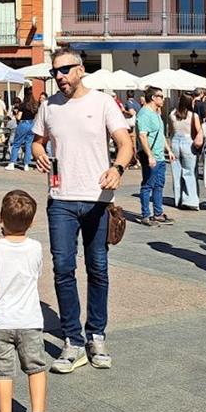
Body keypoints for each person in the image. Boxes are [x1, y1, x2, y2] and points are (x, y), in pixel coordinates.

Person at [31, 47, 134, 373]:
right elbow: (37, 141)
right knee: (63, 269)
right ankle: (73, 340)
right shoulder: (48, 106)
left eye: (64, 70)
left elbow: (125, 143)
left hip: (97, 199)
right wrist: (38, 152)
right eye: (54, 72)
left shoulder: (103, 103)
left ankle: (96, 335)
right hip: (60, 198)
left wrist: (117, 168)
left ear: (80, 69)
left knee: (98, 268)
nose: (59, 77)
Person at [0, 190, 56, 412]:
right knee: (36, 368)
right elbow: (35, 275)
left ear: (0, 218)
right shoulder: (35, 248)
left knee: (2, 374)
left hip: (1, 321)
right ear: (31, 223)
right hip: (30, 320)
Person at [135, 86, 172, 226]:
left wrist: (168, 150)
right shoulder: (144, 114)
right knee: (147, 185)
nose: (163, 99)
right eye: (161, 96)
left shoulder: (156, 113)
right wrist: (150, 155)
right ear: (153, 98)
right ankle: (145, 215)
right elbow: (142, 136)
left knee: (159, 185)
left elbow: (160, 134)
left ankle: (158, 213)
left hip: (160, 156)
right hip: (150, 156)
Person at [166, 93, 202, 210]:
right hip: (188, 142)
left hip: (175, 142)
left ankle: (178, 199)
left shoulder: (172, 114)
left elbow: (171, 131)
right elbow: (198, 130)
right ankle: (190, 200)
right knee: (189, 172)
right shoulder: (193, 115)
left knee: (177, 172)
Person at [6, 89, 37, 171]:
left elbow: (19, 117)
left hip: (23, 124)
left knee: (16, 144)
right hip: (32, 124)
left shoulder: (22, 105)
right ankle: (26, 165)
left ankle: (12, 163)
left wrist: (15, 114)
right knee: (28, 145)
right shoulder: (34, 105)